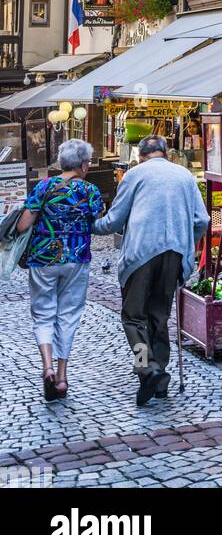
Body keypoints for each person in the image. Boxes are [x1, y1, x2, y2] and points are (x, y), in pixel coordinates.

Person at [94, 134, 210, 406]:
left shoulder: (134, 175)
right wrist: (188, 244)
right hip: (175, 253)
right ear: (165, 153)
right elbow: (202, 219)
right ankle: (160, 377)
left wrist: (90, 226)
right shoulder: (184, 175)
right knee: (159, 315)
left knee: (133, 317)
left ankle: (147, 368)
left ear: (140, 156)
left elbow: (113, 221)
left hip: (141, 253)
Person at [15, 139, 104, 401]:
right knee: (68, 315)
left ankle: (47, 366)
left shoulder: (43, 187)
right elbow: (97, 223)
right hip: (76, 259)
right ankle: (63, 377)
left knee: (43, 314)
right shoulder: (90, 190)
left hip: (43, 259)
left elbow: (22, 227)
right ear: (84, 165)